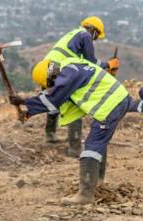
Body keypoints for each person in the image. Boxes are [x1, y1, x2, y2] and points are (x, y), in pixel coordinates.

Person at [12, 57, 130, 205]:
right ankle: (98, 182)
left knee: (92, 146)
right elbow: (59, 102)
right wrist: (29, 112)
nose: (52, 88)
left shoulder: (68, 74)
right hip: (117, 100)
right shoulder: (71, 69)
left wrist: (24, 101)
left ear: (51, 77)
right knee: (99, 141)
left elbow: (54, 99)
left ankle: (86, 195)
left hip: (110, 105)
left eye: (50, 85)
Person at [40, 16, 119, 153]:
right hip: (58, 69)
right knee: (74, 104)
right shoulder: (85, 35)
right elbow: (91, 62)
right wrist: (108, 65)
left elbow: (83, 63)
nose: (95, 40)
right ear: (93, 30)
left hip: (46, 69)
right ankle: (75, 149)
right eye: (96, 36)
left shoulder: (73, 35)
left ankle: (50, 135)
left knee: (54, 100)